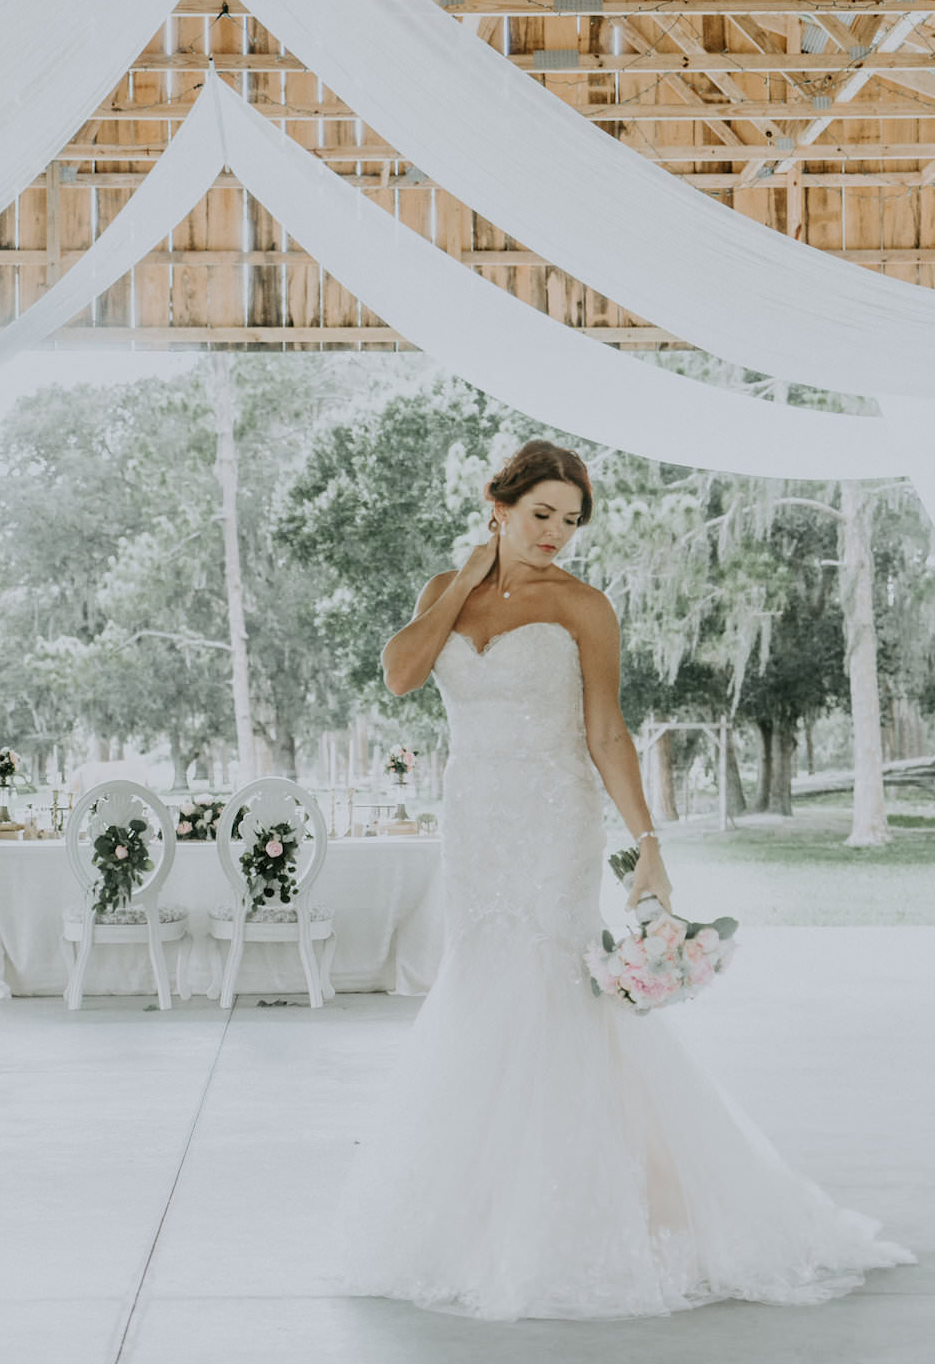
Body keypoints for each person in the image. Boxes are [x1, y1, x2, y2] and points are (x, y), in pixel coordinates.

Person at [334, 439, 915, 1321]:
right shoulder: (442, 595)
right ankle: (478, 1218)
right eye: (542, 515)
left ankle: (604, 1211)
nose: (558, 534)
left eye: (571, 521)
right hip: (476, 820)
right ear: (499, 504)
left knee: (557, 989)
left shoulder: (584, 608)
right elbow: (401, 673)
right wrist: (461, 580)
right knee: (482, 984)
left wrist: (648, 839)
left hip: (552, 820)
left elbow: (606, 730)